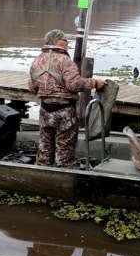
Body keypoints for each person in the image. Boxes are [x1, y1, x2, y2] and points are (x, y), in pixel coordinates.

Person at [27, 29, 106, 167]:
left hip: (45, 110)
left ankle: (42, 172)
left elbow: (32, 87)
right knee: (65, 148)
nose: (67, 43)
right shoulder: (65, 60)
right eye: (64, 40)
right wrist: (94, 83)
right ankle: (63, 174)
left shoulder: (37, 60)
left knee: (45, 146)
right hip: (64, 110)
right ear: (56, 41)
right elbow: (74, 85)